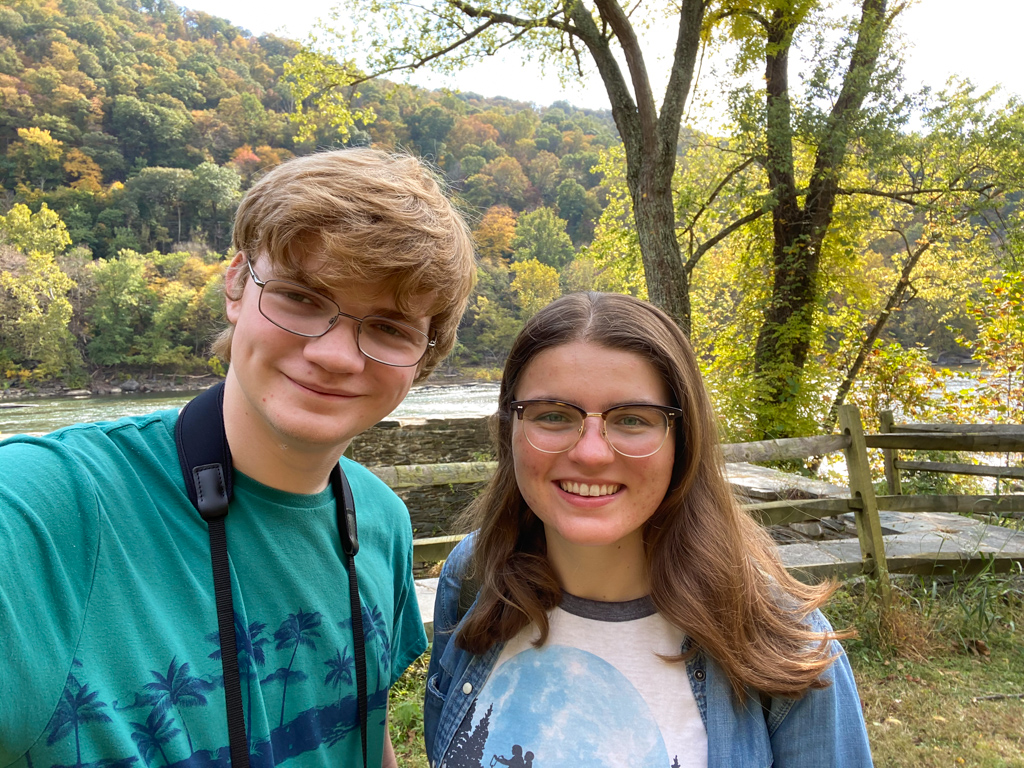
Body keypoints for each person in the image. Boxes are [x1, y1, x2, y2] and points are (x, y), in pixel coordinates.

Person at [0, 148, 475, 768]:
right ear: (235, 285)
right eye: (301, 297)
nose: (335, 355)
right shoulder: (45, 508)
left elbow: (363, 731)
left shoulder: (380, 521)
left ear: (425, 355)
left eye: (389, 327)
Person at [424, 293, 873, 768]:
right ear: (509, 429)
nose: (591, 453)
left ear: (682, 441)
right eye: (553, 414)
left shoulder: (782, 638)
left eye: (632, 419)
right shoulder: (475, 577)